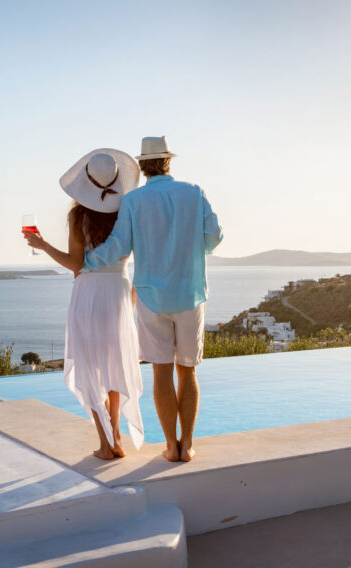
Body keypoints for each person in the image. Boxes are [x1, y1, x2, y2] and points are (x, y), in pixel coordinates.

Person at [84, 136, 223, 462]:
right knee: (187, 371)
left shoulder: (134, 201)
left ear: (143, 166)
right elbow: (214, 236)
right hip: (190, 294)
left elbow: (118, 248)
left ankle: (170, 446)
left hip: (150, 297)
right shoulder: (193, 192)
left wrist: (85, 263)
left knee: (161, 372)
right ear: (168, 162)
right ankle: (187, 445)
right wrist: (192, 252)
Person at [23, 148, 144, 459]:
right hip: (119, 292)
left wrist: (42, 245)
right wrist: (131, 299)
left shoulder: (78, 215)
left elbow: (76, 265)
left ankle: (106, 443)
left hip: (89, 294)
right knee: (115, 366)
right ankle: (115, 436)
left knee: (90, 368)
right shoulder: (129, 211)